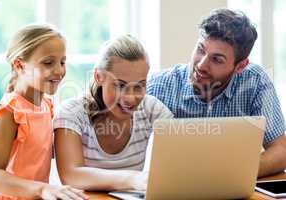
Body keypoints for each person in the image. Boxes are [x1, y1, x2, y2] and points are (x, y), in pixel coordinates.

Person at [147, 8, 286, 178]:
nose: (201, 65)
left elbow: (281, 150)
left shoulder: (255, 82)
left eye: (217, 59)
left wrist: (236, 173)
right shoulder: (158, 86)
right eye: (201, 49)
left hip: (231, 187)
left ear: (240, 66)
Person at [53, 35, 173, 191]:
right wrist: (133, 179)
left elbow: (181, 159)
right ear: (99, 77)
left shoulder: (152, 109)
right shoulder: (72, 113)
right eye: (120, 85)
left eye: (139, 86)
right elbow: (71, 176)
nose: (130, 98)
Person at [0, 24, 88, 200]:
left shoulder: (47, 106)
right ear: (19, 65)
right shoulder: (10, 112)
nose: (59, 71)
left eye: (62, 62)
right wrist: (42, 189)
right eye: (48, 63)